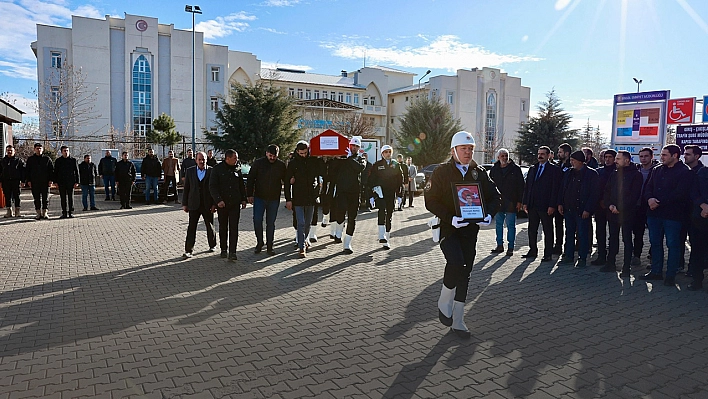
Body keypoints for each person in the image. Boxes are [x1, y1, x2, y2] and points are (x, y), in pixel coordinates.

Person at [425, 131, 499, 339]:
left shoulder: (479, 172)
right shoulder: (441, 172)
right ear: (453, 150)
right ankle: (444, 301)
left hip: (470, 231)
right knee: (456, 262)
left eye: (470, 149)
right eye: (463, 149)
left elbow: (495, 197)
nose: (468, 152)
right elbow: (430, 200)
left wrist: (489, 214)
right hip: (449, 229)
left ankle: (458, 320)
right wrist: (450, 217)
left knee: (465, 272)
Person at [640, 144, 692, 286]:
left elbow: (680, 194)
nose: (661, 157)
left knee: (673, 245)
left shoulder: (684, 172)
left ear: (674, 156)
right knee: (655, 243)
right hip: (654, 214)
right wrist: (650, 199)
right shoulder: (657, 170)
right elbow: (648, 187)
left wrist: (659, 202)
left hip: (673, 216)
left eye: (664, 155)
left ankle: (670, 275)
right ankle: (656, 271)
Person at [601, 150, 642, 275]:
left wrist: (620, 207)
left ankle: (626, 267)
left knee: (627, 239)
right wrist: (610, 205)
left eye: (618, 159)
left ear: (627, 161)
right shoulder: (614, 174)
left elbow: (634, 196)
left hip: (627, 213)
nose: (615, 161)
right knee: (612, 238)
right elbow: (607, 191)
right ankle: (610, 263)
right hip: (612, 212)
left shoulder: (636, 175)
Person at [557, 151, 600, 267]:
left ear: (581, 161)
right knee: (569, 233)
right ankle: (568, 255)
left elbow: (594, 194)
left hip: (582, 210)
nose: (571, 163)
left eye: (573, 161)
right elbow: (562, 188)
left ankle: (582, 257)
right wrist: (560, 203)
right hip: (569, 209)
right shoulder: (569, 173)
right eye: (570, 160)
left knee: (582, 234)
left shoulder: (591, 174)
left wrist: (588, 209)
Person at [522, 146, 561, 262]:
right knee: (532, 229)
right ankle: (532, 250)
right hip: (533, 204)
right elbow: (527, 186)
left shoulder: (554, 170)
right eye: (539, 153)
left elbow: (555, 189)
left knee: (548, 230)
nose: (540, 156)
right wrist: (525, 202)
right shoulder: (533, 168)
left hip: (546, 205)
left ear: (549, 155)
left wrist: (552, 205)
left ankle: (548, 253)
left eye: (543, 154)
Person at [247, 144, 286, 255]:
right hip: (259, 197)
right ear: (266, 153)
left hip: (274, 198)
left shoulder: (281, 165)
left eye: (274, 156)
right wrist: (249, 194)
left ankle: (270, 246)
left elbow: (286, 180)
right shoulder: (258, 163)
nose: (272, 158)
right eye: (270, 155)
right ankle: (260, 242)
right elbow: (251, 178)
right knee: (257, 220)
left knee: (271, 223)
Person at [209, 149, 247, 262]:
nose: (236, 160)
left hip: (235, 203)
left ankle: (233, 252)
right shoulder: (217, 169)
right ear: (227, 158)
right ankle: (223, 249)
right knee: (223, 227)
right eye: (235, 158)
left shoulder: (237, 168)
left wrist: (243, 199)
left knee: (234, 228)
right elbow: (213, 187)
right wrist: (218, 200)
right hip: (223, 204)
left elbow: (241, 185)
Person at [330, 137, 366, 253]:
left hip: (354, 193)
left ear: (359, 148)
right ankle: (338, 233)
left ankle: (347, 244)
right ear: (349, 146)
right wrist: (336, 158)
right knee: (340, 213)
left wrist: (349, 157)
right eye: (352, 145)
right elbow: (331, 170)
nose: (354, 148)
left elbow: (359, 168)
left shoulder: (361, 159)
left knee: (352, 217)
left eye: (356, 146)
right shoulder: (342, 159)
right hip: (342, 191)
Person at [285, 141, 319, 258]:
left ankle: (304, 240)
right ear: (297, 152)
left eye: (305, 153)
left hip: (311, 197)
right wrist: (288, 199)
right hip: (298, 197)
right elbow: (287, 182)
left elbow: (322, 172)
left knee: (308, 223)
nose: (303, 155)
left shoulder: (313, 161)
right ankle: (301, 247)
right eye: (301, 153)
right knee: (301, 222)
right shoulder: (293, 163)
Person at [488, 148, 524, 256]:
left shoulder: (515, 169)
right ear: (498, 157)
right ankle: (499, 245)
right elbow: (490, 185)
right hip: (498, 201)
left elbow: (521, 186)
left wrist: (519, 201)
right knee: (498, 224)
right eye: (502, 156)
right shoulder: (494, 169)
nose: (504, 158)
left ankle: (511, 247)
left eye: (506, 156)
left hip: (511, 202)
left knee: (510, 225)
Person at [368, 145, 404, 249]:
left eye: (389, 152)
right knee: (382, 211)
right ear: (382, 154)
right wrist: (371, 195)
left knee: (389, 215)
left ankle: (386, 239)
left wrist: (400, 195)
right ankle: (381, 235)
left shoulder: (396, 165)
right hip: (381, 193)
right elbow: (371, 180)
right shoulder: (377, 165)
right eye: (386, 152)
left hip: (391, 193)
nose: (388, 154)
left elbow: (400, 180)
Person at [182, 151, 216, 258]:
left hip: (207, 204)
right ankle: (188, 250)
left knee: (209, 226)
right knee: (192, 227)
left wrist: (215, 203)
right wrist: (185, 203)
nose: (202, 161)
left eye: (204, 159)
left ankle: (212, 245)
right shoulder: (190, 171)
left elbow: (215, 188)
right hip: (194, 204)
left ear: (207, 160)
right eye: (199, 159)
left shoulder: (212, 171)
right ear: (196, 160)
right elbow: (186, 188)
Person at [633, 147, 659, 265]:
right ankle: (636, 255)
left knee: (654, 234)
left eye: (646, 156)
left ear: (652, 157)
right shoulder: (636, 170)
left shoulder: (657, 170)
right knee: (638, 232)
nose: (643, 159)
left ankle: (653, 256)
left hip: (651, 206)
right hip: (637, 206)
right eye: (641, 156)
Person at [590, 149, 617, 266]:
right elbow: (595, 188)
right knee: (600, 232)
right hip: (600, 206)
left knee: (613, 233)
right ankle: (601, 255)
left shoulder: (618, 171)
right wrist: (599, 201)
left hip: (613, 206)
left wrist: (608, 202)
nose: (607, 159)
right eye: (606, 157)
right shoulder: (598, 171)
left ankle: (612, 258)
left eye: (610, 157)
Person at [682, 145, 704, 277]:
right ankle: (681, 265)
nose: (685, 156)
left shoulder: (702, 172)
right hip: (683, 213)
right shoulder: (685, 171)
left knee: (696, 243)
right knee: (680, 240)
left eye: (688, 154)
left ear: (697, 156)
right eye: (684, 154)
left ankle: (694, 270)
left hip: (697, 214)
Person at [686, 162, 708, 290]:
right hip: (700, 219)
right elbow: (693, 192)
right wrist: (703, 206)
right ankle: (697, 279)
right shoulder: (702, 172)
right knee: (697, 250)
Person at [24, 143, 54, 220]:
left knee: (45, 198)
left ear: (42, 149)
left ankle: (45, 212)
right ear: (34, 149)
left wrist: (51, 180)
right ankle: (38, 213)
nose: (39, 150)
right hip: (35, 182)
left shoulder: (47, 159)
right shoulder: (30, 159)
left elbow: (51, 170)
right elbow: (27, 171)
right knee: (36, 198)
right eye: (37, 148)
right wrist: (28, 181)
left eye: (40, 148)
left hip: (45, 182)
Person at [553, 143, 573, 255]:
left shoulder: (571, 166)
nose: (558, 154)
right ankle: (558, 245)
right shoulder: (557, 165)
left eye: (560, 152)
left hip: (568, 200)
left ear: (567, 153)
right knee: (558, 224)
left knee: (570, 226)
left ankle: (569, 247)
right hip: (558, 199)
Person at [53, 146, 80, 219]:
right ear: (61, 152)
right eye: (64, 151)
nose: (66, 152)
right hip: (61, 182)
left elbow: (77, 172)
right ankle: (64, 212)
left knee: (71, 197)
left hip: (70, 182)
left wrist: (77, 182)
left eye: (67, 150)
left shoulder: (73, 160)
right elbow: (55, 172)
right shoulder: (58, 161)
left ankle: (71, 212)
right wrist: (55, 182)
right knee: (63, 198)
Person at [0, 145, 25, 218]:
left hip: (16, 181)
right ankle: (9, 212)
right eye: (8, 150)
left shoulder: (18, 161)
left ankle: (17, 211)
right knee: (7, 197)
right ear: (6, 151)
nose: (9, 152)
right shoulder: (3, 161)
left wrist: (23, 181)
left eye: (11, 150)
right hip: (6, 182)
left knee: (17, 196)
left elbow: (23, 171)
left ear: (14, 151)